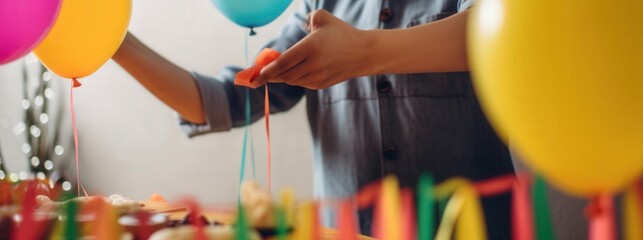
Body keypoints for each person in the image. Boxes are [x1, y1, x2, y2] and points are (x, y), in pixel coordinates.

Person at [113, 0, 514, 238]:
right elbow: (226, 100)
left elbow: (501, 33)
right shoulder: (318, 6)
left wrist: (366, 51)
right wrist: (113, 40)